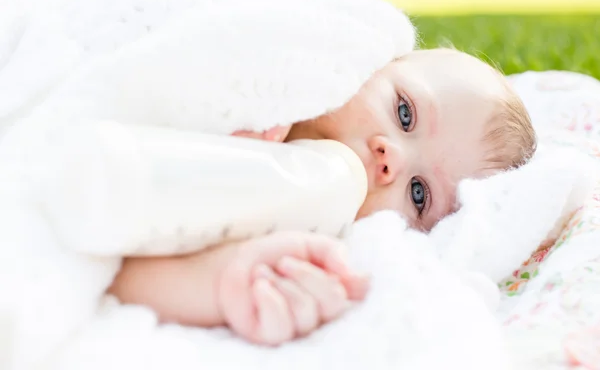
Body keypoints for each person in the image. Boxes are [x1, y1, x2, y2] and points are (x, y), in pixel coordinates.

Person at [108, 48, 537, 346]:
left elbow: (108, 269)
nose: (392, 160)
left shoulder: (300, 236)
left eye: (419, 194)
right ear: (376, 64)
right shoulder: (282, 73)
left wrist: (223, 279)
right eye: (405, 113)